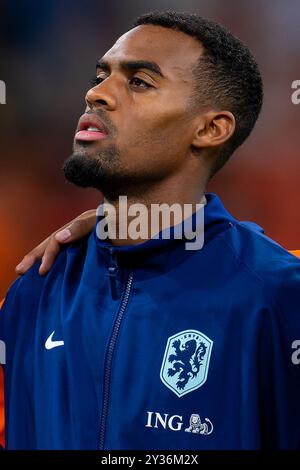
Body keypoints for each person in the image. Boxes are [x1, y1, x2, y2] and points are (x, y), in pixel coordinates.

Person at [0, 11, 299, 450]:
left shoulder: (276, 296)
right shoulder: (34, 293)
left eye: (139, 82)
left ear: (211, 129)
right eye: (101, 75)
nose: (96, 94)